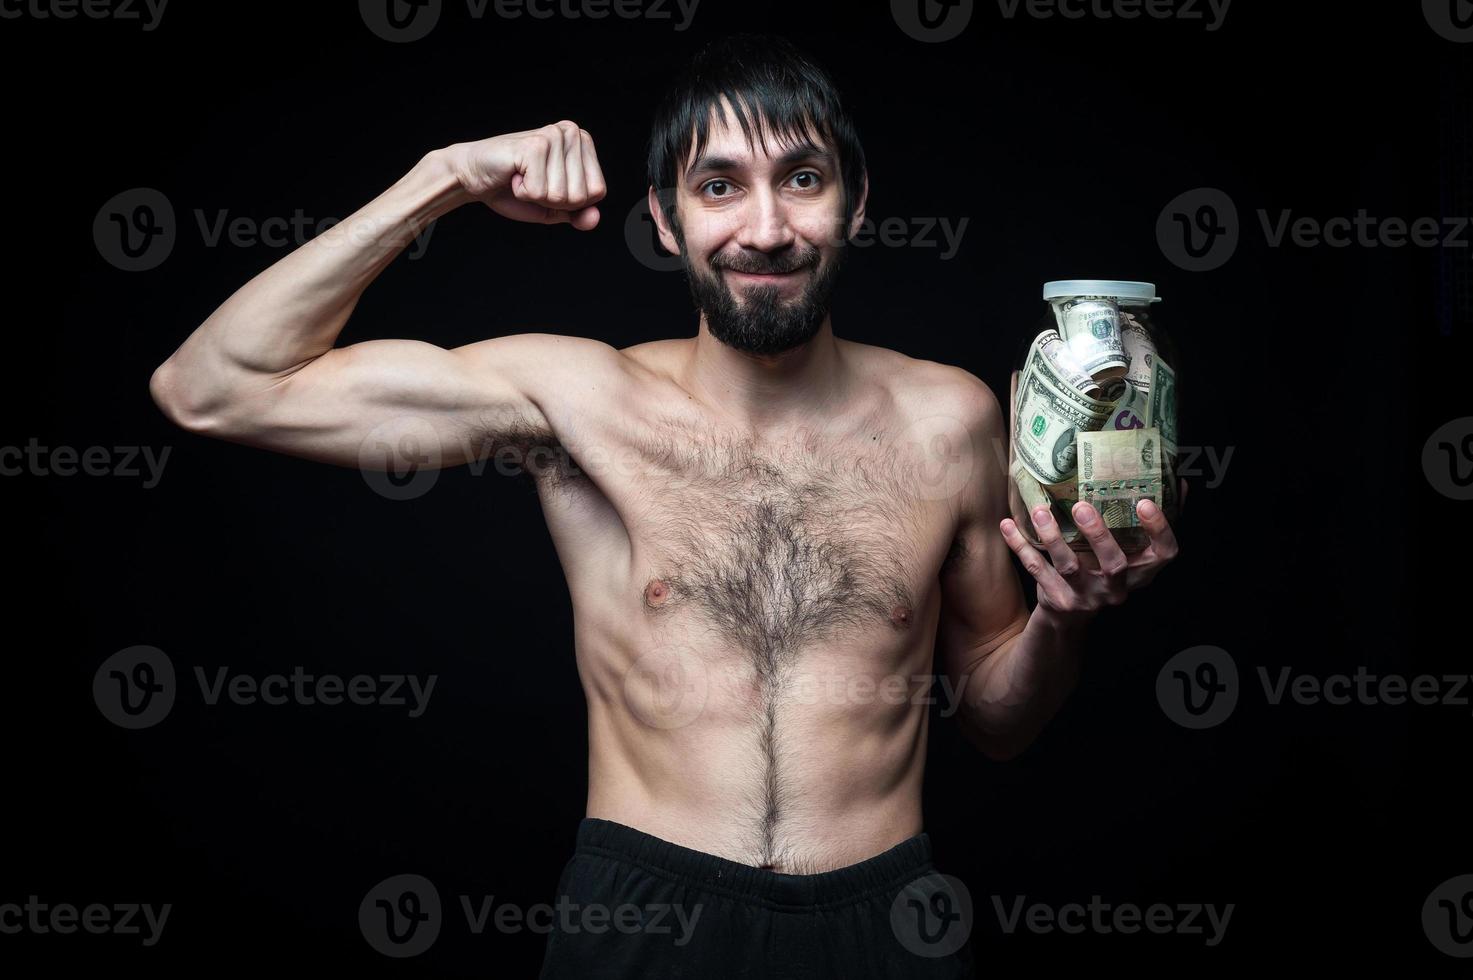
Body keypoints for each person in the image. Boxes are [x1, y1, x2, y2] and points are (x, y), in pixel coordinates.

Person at [149, 32, 1179, 979]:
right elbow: (213, 387)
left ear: (857, 203)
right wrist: (444, 179)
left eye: (804, 180)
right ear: (666, 217)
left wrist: (1062, 617)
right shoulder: (576, 399)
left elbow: (999, 720)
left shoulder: (950, 419)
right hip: (643, 921)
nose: (766, 228)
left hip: (887, 921)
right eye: (720, 185)